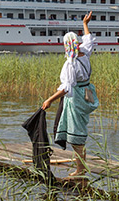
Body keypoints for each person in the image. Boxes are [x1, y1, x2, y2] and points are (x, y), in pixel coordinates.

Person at [42, 11, 98, 176]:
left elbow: (67, 88)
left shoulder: (71, 63)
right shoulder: (84, 54)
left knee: (75, 134)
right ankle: (82, 165)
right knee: (80, 127)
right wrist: (85, 24)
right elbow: (89, 40)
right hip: (87, 91)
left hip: (76, 97)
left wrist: (49, 100)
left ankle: (80, 170)